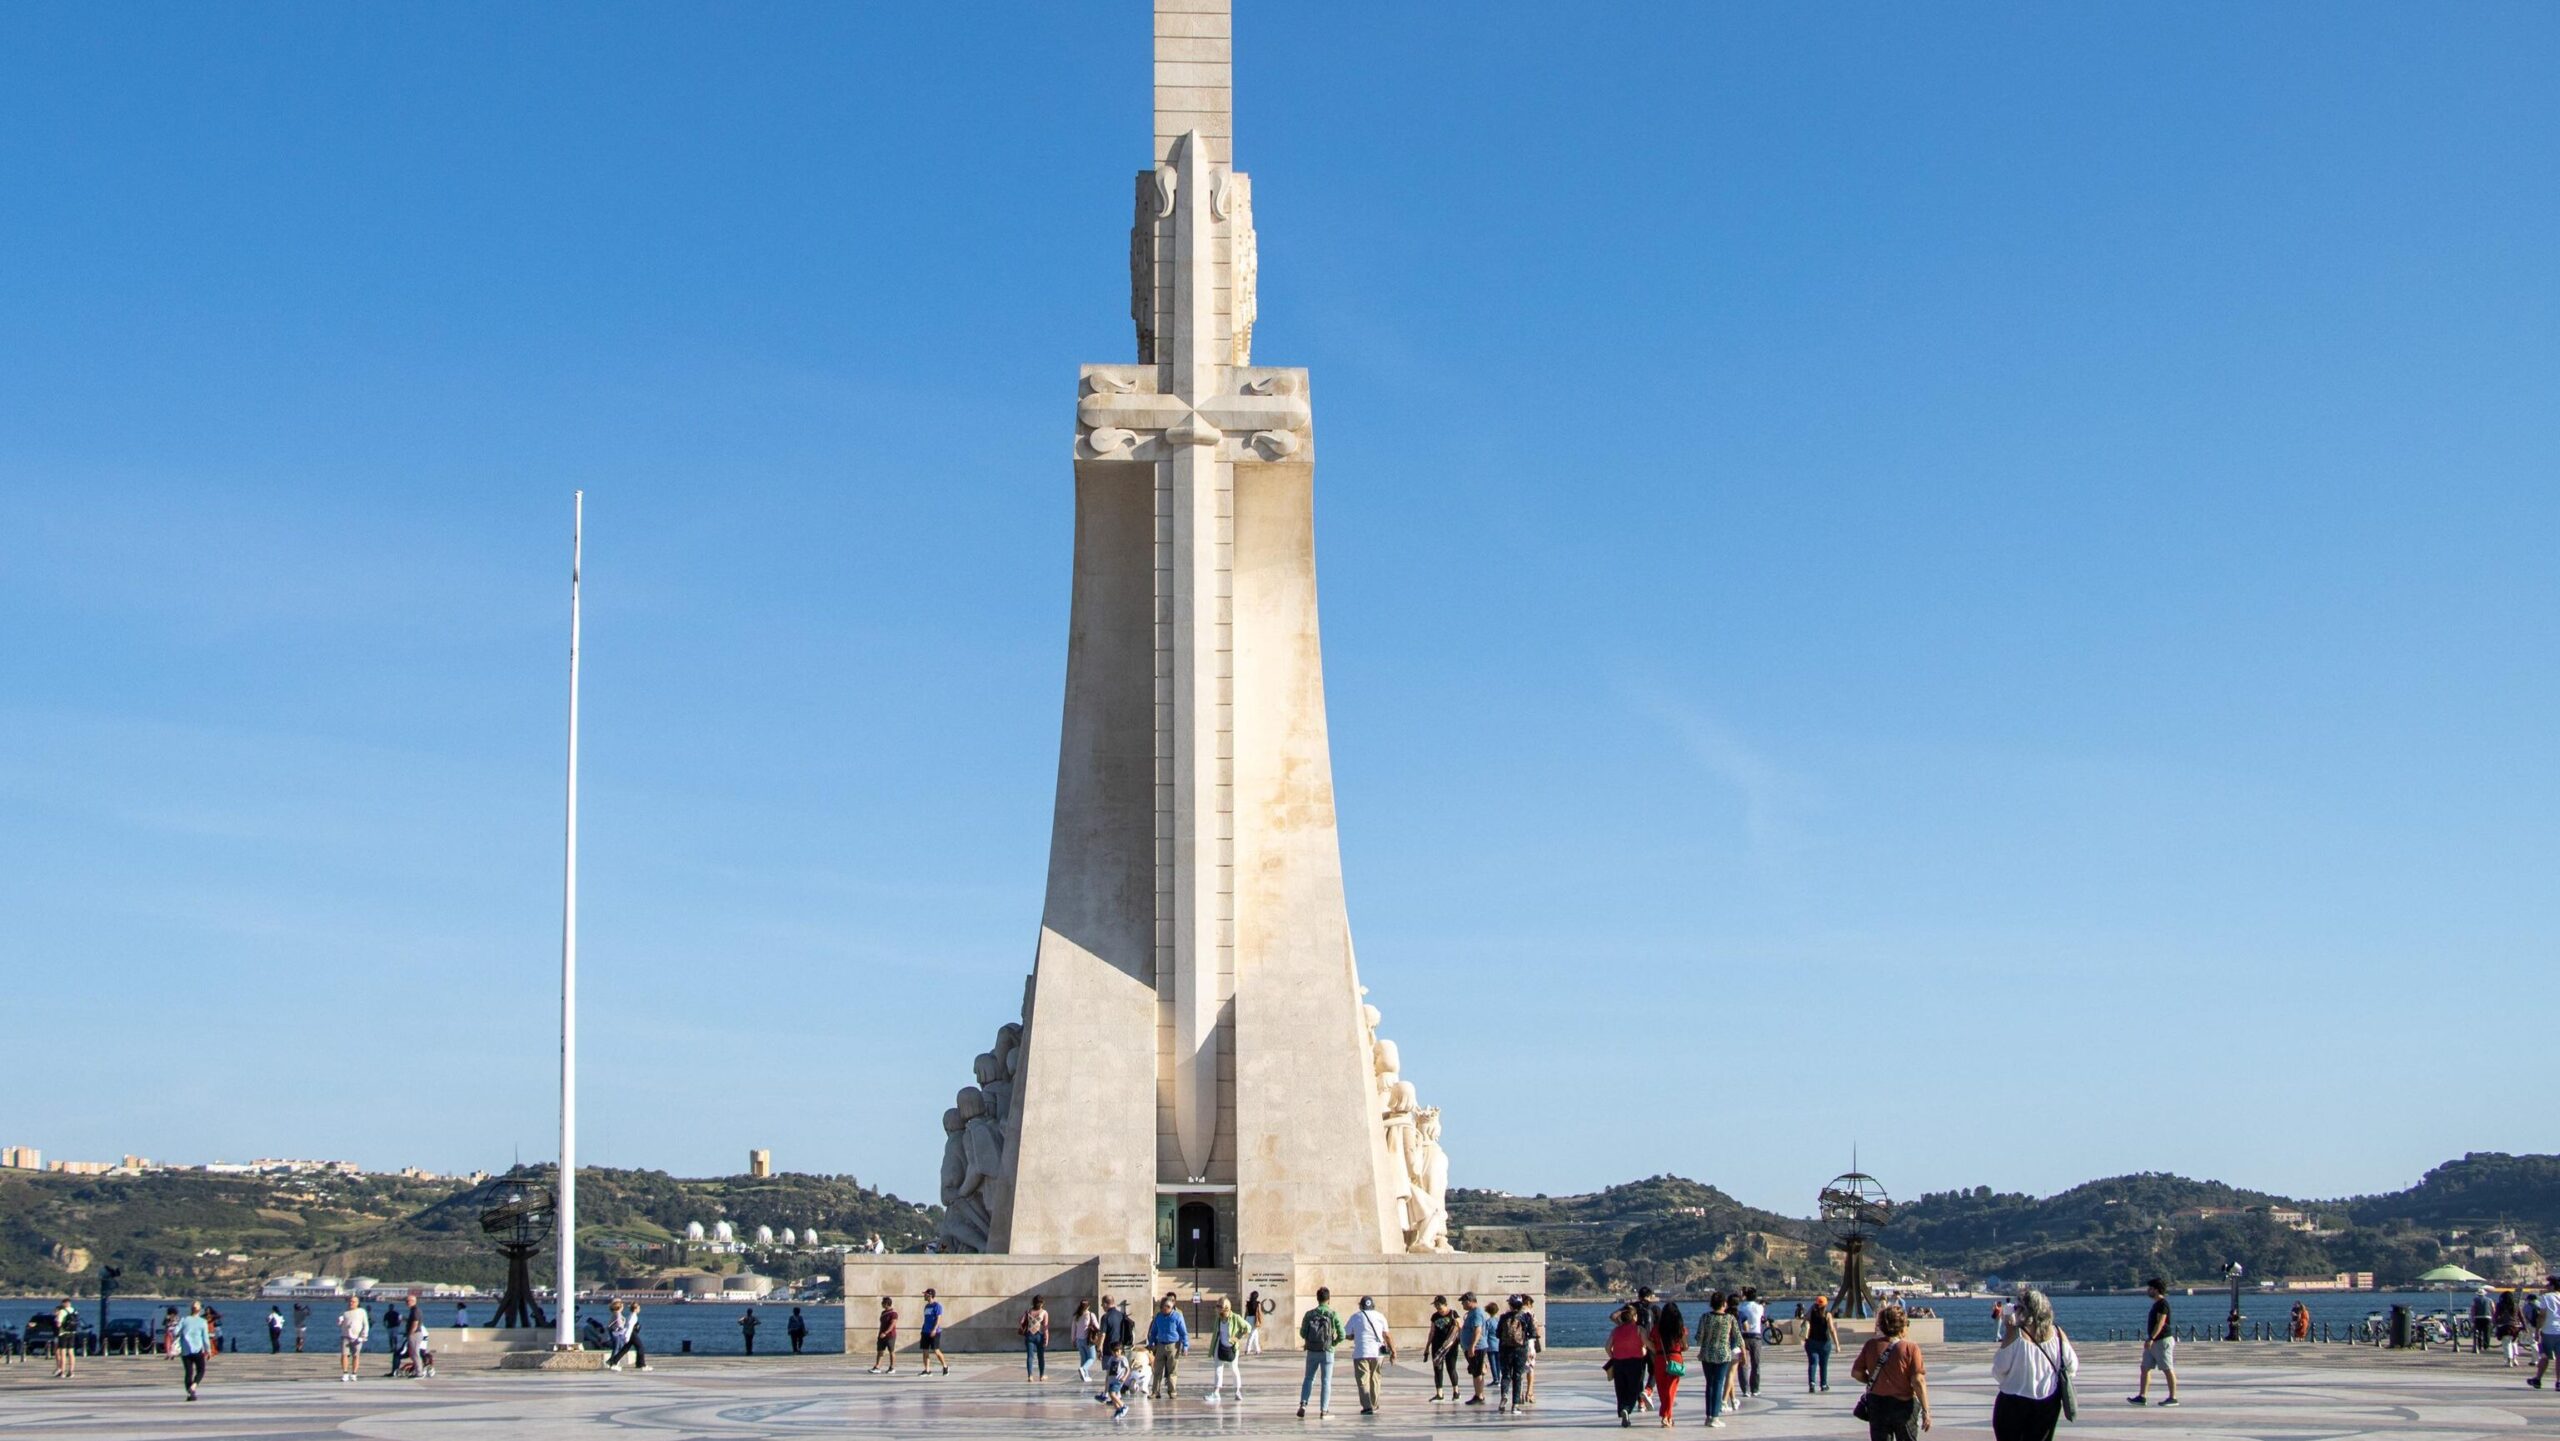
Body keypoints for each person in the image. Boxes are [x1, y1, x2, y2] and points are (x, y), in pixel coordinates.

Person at [1990, 1287, 2077, 1441]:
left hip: (2012, 1403)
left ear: (2024, 1311)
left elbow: (1999, 1369)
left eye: (2018, 1307)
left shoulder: (2015, 1334)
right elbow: (2072, 1366)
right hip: (2048, 1403)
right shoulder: (2057, 1333)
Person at [1848, 1303, 1931, 1440]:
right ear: (1902, 1325)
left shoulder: (1871, 1345)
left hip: (1877, 1404)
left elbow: (1856, 1373)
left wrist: (1871, 1380)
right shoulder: (1910, 1348)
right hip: (1903, 1405)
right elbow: (1918, 1381)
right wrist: (1926, 1410)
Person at [2128, 1277, 2178, 1407]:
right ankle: (2142, 1396)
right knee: (2145, 1367)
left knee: (2167, 1368)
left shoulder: (2163, 1304)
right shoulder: (2156, 1304)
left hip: (2162, 1340)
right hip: (2153, 1341)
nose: (2148, 1291)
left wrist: (2151, 1338)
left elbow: (2161, 1322)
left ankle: (2173, 1397)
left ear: (2156, 1290)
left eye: (2150, 1288)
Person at [1297, 1285, 1345, 1419]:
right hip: (1327, 1351)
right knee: (1326, 1381)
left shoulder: (1310, 1314)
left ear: (1317, 1299)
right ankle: (1324, 1410)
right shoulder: (1333, 1314)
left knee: (1308, 1378)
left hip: (1312, 1351)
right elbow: (1342, 1334)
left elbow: (1302, 1333)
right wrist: (1332, 1343)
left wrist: (1310, 1340)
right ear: (1329, 1299)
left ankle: (1303, 1405)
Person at [1694, 1291, 1741, 1429]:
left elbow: (1699, 1337)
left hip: (1707, 1354)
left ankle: (1708, 1416)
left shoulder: (1705, 1317)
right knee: (1718, 1384)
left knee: (1709, 1384)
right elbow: (1737, 1336)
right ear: (1723, 1304)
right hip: (1722, 1354)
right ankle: (1715, 1417)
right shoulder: (1730, 1318)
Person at [1346, 1294, 1395, 1415]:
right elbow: (1387, 1335)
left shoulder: (1355, 1317)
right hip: (1377, 1353)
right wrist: (1393, 1351)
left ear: (1361, 1306)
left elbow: (1347, 1334)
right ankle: (1374, 1404)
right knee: (1375, 1378)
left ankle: (1367, 1407)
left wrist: (1354, 1336)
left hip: (1361, 1352)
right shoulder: (1380, 1316)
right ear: (1373, 1305)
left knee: (1363, 1380)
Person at [1606, 1304, 1651, 1426]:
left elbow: (1607, 1347)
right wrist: (1654, 1351)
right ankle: (1627, 1408)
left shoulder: (1616, 1330)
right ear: (1634, 1317)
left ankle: (1622, 1411)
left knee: (1621, 1390)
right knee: (1634, 1389)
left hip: (1619, 1363)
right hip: (1635, 1362)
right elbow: (1647, 1343)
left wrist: (1613, 1356)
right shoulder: (1639, 1329)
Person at [1495, 1293, 1538, 1415]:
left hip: (1505, 1349)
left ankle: (1504, 1395)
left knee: (1506, 1375)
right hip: (1520, 1349)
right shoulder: (1526, 1317)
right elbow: (1533, 1334)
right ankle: (1515, 1405)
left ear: (1510, 1304)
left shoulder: (1504, 1317)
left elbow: (1498, 1334)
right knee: (1518, 1376)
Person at [1650, 1298, 1687, 1427]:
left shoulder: (1657, 1328)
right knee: (1671, 1389)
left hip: (1660, 1359)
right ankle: (1666, 1416)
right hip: (1675, 1359)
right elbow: (1685, 1346)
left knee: (1662, 1390)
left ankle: (1667, 1417)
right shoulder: (1680, 1328)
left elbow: (1652, 1341)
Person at [1204, 1296, 1248, 1402]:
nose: (1217, 1308)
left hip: (1232, 1348)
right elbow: (1216, 1333)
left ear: (1226, 1307)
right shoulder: (1218, 1319)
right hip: (1219, 1346)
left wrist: (1237, 1338)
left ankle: (1237, 1391)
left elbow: (1247, 1327)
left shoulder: (1236, 1318)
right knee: (1218, 1370)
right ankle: (1216, 1392)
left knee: (1234, 1369)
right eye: (1217, 1306)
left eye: (1220, 1306)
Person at [1146, 1294, 1189, 1398]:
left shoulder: (1177, 1317)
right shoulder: (1159, 1317)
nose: (1166, 1309)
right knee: (1157, 1370)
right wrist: (1151, 1343)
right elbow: (1154, 1331)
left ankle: (1172, 1391)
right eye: (1164, 1307)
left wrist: (1185, 1346)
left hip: (1173, 1346)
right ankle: (1155, 1391)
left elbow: (1183, 1333)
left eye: (1169, 1307)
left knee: (1172, 1370)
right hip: (1160, 1345)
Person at [1457, 1292, 1491, 1404]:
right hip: (1472, 1347)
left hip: (1477, 1347)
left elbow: (1478, 1331)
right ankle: (1479, 1393)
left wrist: (1472, 1346)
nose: (1462, 1305)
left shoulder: (1476, 1313)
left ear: (1469, 1301)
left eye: (1463, 1302)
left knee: (1477, 1373)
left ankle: (1479, 1396)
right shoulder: (1472, 1313)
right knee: (1476, 1371)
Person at [1426, 1295, 1462, 1401]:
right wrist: (1427, 1346)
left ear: (1445, 1304)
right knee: (1438, 1369)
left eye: (1439, 1306)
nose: (1438, 1308)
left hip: (1450, 1346)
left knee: (1451, 1368)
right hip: (1437, 1346)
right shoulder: (1434, 1316)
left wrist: (1457, 1324)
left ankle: (1456, 1392)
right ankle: (1439, 1394)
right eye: (1436, 1306)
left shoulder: (1453, 1314)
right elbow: (1432, 1331)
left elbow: (1461, 1326)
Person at [176, 1301, 212, 1401]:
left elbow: (175, 1331)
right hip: (198, 1350)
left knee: (188, 1372)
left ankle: (189, 1393)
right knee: (201, 1370)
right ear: (199, 1310)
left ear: (191, 1309)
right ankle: (194, 1386)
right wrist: (208, 1351)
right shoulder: (202, 1322)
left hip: (186, 1350)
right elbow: (205, 1338)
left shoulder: (184, 1319)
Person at [2530, 1275, 2560, 1390]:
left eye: (2548, 1285)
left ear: (2552, 1286)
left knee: (2544, 1356)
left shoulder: (2546, 1297)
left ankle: (2538, 1379)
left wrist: (2537, 1330)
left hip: (2548, 1330)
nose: (2546, 1287)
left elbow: (2542, 1315)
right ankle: (2558, 1381)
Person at [1736, 1287, 1765, 1399]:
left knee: (1743, 1364)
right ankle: (1755, 1389)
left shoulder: (1741, 1307)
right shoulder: (1759, 1307)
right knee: (1756, 1364)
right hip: (1756, 1337)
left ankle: (1745, 1389)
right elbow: (1761, 1318)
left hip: (1743, 1336)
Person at [1805, 1294, 1837, 1393]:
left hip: (1812, 1341)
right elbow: (1832, 1330)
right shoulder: (1828, 1315)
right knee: (1823, 1364)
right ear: (1826, 1305)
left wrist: (1812, 1307)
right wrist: (1837, 1344)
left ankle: (1812, 1383)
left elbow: (1805, 1320)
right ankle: (1823, 1384)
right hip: (1825, 1343)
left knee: (1813, 1363)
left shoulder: (1812, 1313)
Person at [1096, 1339, 1135, 1419]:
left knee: (1112, 1394)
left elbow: (1128, 1370)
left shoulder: (1123, 1359)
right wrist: (1107, 1381)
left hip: (1118, 1380)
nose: (1115, 1353)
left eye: (1117, 1351)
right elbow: (1109, 1371)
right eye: (1114, 1352)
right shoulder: (1111, 1359)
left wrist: (1124, 1377)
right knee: (1112, 1396)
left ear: (1121, 1351)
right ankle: (1118, 1410)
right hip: (1112, 1380)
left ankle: (1123, 1406)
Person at [335, 1295, 369, 1382]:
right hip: (345, 1336)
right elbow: (340, 1324)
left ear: (357, 1303)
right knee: (344, 1354)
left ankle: (354, 1373)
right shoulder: (345, 1312)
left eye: (353, 1302)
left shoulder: (361, 1311)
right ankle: (345, 1373)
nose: (351, 1303)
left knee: (356, 1355)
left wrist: (363, 1336)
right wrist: (339, 1321)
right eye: (350, 1301)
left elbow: (366, 1324)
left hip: (357, 1337)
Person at [917, 1289, 950, 1374]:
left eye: (925, 1294)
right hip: (925, 1332)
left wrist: (934, 1329)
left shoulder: (937, 1306)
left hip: (935, 1332)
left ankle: (945, 1366)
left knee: (936, 1351)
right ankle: (927, 1370)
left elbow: (938, 1319)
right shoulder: (926, 1306)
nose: (924, 1296)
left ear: (930, 1295)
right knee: (925, 1351)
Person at [1019, 1294, 1050, 1381]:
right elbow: (1045, 1328)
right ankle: (1041, 1376)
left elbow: (1021, 1321)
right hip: (1039, 1336)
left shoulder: (1029, 1311)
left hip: (1029, 1336)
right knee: (1041, 1356)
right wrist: (1046, 1339)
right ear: (1042, 1303)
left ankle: (1030, 1376)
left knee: (1030, 1356)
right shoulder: (1044, 1312)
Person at [1071, 1299, 1099, 1382]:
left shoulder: (1076, 1316)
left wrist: (1073, 1340)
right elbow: (1097, 1326)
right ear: (1088, 1306)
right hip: (1088, 1340)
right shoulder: (1090, 1315)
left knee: (1083, 1358)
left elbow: (1073, 1329)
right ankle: (1083, 1369)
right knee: (1092, 1357)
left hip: (1079, 1340)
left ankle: (1085, 1376)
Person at [870, 1296, 899, 1373]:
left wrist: (885, 1333)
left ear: (886, 1304)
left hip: (890, 1336)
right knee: (880, 1351)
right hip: (881, 1335)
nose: (881, 1304)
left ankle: (892, 1367)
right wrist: (881, 1333)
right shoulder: (883, 1313)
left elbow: (892, 1325)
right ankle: (877, 1367)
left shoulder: (894, 1314)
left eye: (882, 1303)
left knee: (891, 1351)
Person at [51, 1299, 77, 1379]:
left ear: (64, 1303)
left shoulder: (62, 1311)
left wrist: (57, 1318)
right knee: (71, 1353)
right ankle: (71, 1371)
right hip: (72, 1333)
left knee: (63, 1353)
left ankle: (62, 1371)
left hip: (63, 1333)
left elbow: (58, 1324)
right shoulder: (75, 1311)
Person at [381, 1302, 404, 1377]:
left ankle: (395, 1347)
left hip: (395, 1327)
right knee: (391, 1338)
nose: (390, 1308)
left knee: (394, 1337)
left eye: (391, 1307)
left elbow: (400, 1319)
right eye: (390, 1307)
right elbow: (384, 1321)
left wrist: (398, 1324)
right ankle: (392, 1348)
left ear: (393, 1307)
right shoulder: (387, 1313)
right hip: (390, 1327)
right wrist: (386, 1326)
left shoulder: (396, 1313)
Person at [1243, 1289, 1265, 1355]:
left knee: (1256, 1335)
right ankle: (1247, 1349)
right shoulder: (1258, 1303)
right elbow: (1259, 1313)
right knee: (1252, 1335)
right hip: (1254, 1319)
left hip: (1248, 1318)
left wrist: (1244, 1320)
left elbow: (1246, 1312)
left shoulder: (1248, 1303)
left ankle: (1257, 1350)